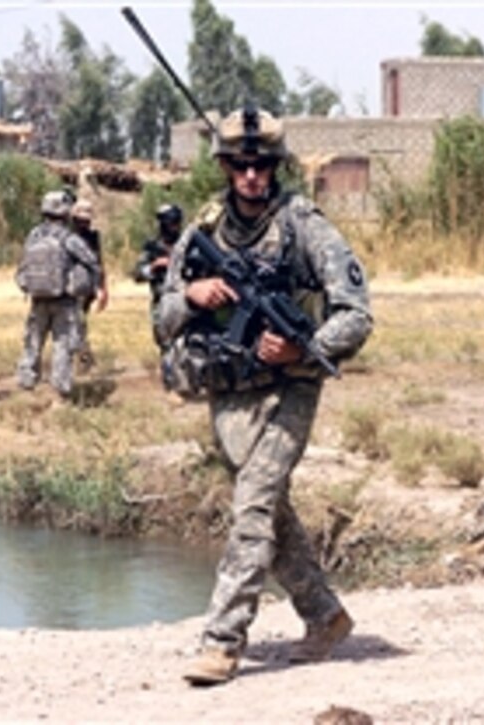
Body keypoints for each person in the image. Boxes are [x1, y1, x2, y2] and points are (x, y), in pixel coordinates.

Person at [155, 107, 373, 686]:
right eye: (240, 165)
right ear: (225, 167)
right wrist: (192, 295)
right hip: (228, 389)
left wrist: (304, 349)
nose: (252, 176)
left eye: (262, 165)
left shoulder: (304, 225)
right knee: (270, 509)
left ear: (275, 168)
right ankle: (325, 616)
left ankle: (222, 640)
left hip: (292, 387)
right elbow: (161, 319)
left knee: (253, 502)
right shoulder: (203, 232)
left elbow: (356, 314)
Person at [15, 191, 101, 399]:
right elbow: (91, 262)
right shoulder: (69, 238)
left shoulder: (34, 235)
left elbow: (23, 266)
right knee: (62, 346)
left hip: (37, 299)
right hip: (64, 301)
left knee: (32, 344)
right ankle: (58, 395)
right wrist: (88, 284)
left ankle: (26, 388)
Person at [134, 203, 183, 350]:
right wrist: (154, 266)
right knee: (165, 344)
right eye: (172, 223)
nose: (175, 227)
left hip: (184, 300)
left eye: (177, 223)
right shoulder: (152, 247)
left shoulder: (185, 244)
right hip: (161, 302)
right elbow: (137, 274)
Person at [69, 199, 108, 372]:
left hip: (86, 288)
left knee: (78, 322)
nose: (85, 223)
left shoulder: (93, 237)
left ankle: (83, 359)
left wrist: (102, 288)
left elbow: (98, 264)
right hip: (70, 287)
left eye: (87, 219)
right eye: (81, 219)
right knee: (76, 323)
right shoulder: (66, 236)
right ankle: (83, 358)